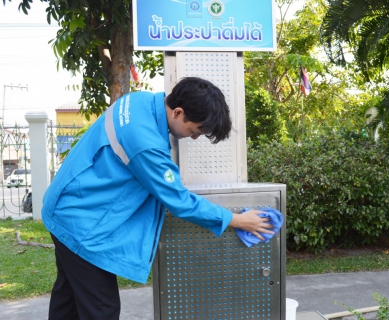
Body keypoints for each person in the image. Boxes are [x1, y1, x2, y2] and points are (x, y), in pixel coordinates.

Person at [42, 77, 274, 320]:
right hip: (82, 225)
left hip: (65, 206)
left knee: (67, 300)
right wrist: (238, 220)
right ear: (178, 112)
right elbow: (180, 201)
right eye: (194, 131)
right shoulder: (147, 144)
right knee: (101, 309)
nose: (193, 138)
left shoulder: (137, 101)